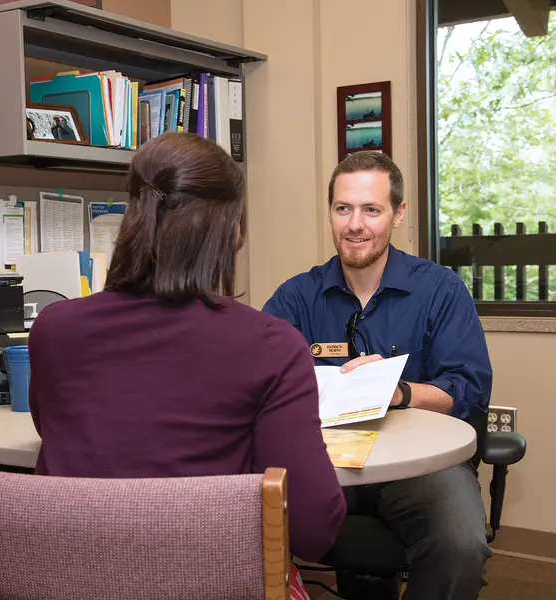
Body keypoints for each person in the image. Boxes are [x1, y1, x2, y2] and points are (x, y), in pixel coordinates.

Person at [27, 132, 346, 564]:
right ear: (230, 231)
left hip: (72, 578)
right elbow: (313, 529)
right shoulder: (271, 346)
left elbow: (62, 436)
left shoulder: (52, 328)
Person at [263, 151, 493, 600]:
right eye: (343, 208)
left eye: (371, 210)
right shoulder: (295, 298)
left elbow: (468, 391)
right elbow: (256, 383)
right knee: (245, 521)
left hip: (421, 469)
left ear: (398, 214)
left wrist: (399, 392)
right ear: (329, 212)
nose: (355, 225)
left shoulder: (441, 291)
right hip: (323, 463)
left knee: (461, 546)